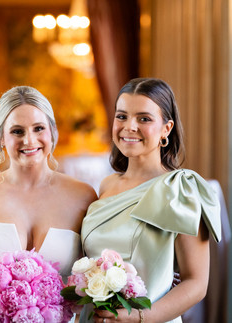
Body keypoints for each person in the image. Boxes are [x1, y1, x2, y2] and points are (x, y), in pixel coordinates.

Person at [0, 85, 97, 322]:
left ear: (53, 132)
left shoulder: (83, 197)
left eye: (38, 128)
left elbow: (93, 271)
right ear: (1, 137)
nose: (29, 140)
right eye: (17, 131)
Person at [80, 78, 221, 323]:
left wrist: (138, 317)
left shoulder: (181, 189)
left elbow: (196, 283)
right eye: (121, 116)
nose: (129, 126)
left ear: (166, 128)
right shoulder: (106, 185)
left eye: (144, 119)